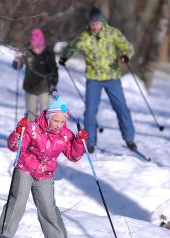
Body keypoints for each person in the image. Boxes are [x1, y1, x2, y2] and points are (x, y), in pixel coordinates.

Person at [0, 97, 89, 238]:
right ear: (48, 117)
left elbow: (73, 155)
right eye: (56, 120)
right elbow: (14, 146)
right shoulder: (33, 128)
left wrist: (79, 142)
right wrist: (18, 132)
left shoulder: (65, 134)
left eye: (62, 121)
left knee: (49, 211)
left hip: (45, 175)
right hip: (25, 169)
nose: (59, 124)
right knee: (18, 203)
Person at [59, 7, 136, 154]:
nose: (95, 26)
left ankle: (129, 139)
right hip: (93, 79)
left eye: (97, 23)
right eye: (92, 24)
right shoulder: (84, 36)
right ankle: (90, 142)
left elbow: (128, 47)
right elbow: (72, 47)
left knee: (121, 108)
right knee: (90, 111)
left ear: (102, 22)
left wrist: (126, 56)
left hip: (112, 77)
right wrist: (65, 57)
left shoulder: (112, 33)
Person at [13, 28, 59, 121]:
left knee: (45, 115)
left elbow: (54, 70)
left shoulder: (48, 54)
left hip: (45, 89)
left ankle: (43, 134)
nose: (36, 49)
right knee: (31, 115)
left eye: (38, 46)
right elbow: (17, 66)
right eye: (33, 46)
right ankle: (31, 134)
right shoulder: (27, 52)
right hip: (30, 88)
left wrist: (53, 84)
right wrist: (17, 59)